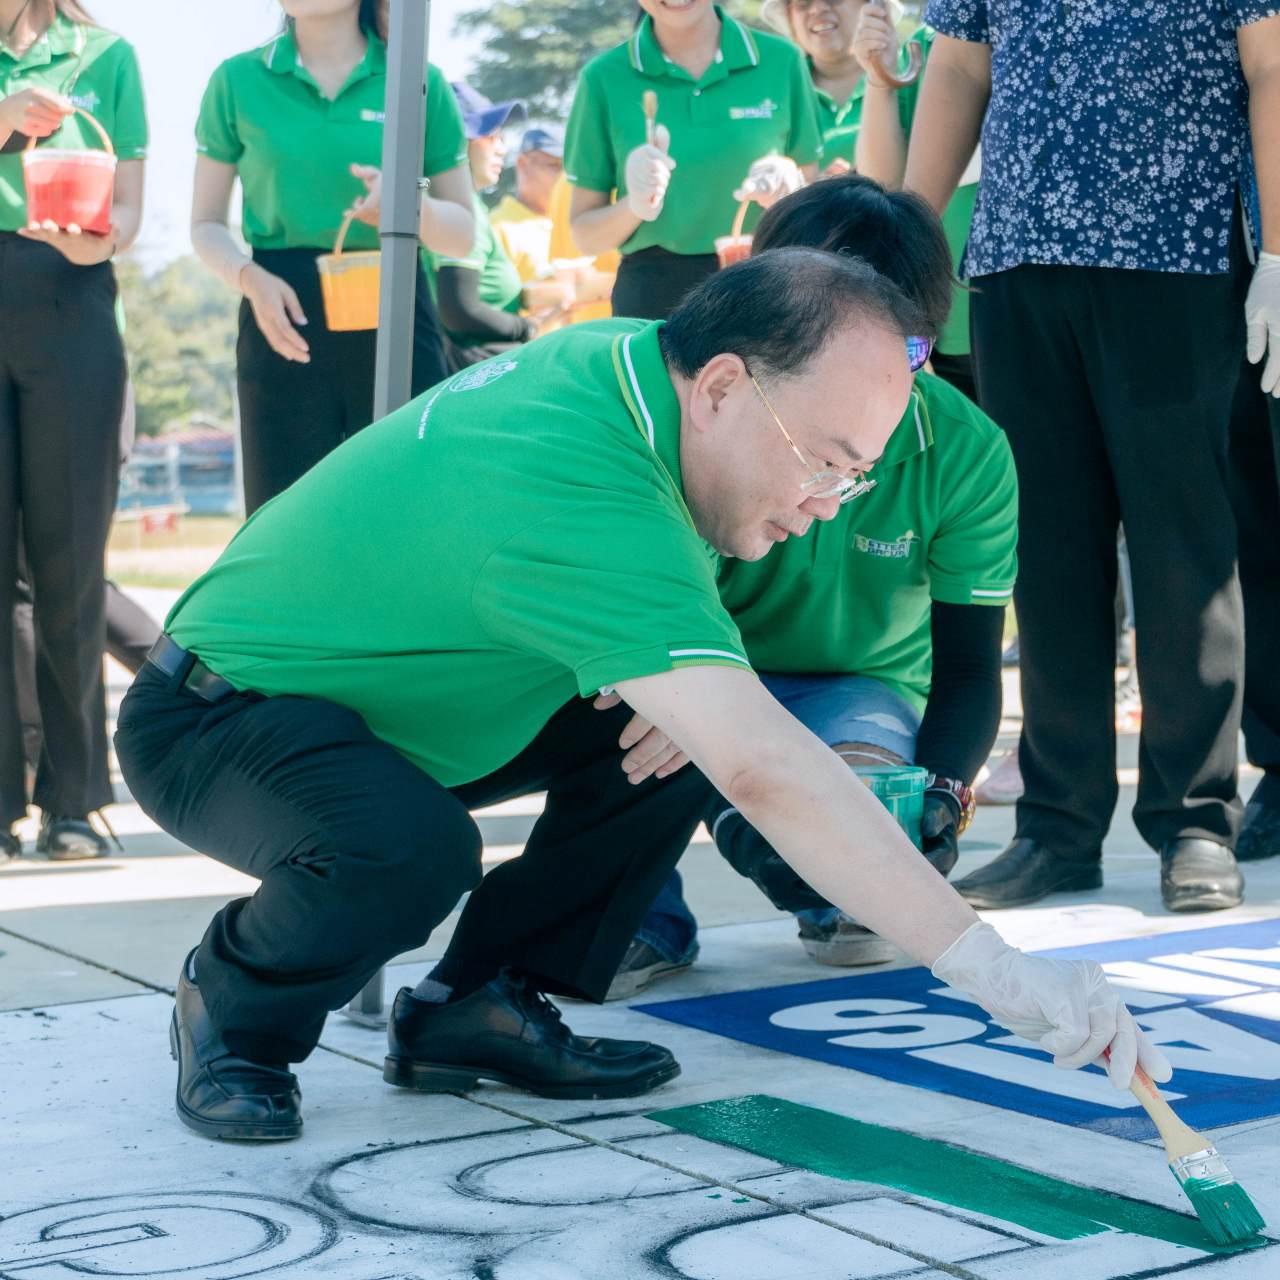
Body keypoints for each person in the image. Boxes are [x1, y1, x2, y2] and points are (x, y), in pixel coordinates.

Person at [114, 250, 1166, 1142]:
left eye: (855, 480)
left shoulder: (631, 370)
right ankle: (234, 1006)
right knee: (417, 848)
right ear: (721, 387)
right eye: (824, 462)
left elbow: (729, 733)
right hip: (222, 716)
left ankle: (474, 1002)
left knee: (680, 729)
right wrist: (993, 969)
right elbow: (766, 767)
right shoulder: (587, 481)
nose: (826, 504)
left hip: (415, 708)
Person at [904, 2, 1280, 913]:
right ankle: (1057, 828)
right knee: (1047, 551)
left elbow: (1271, 66)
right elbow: (958, 68)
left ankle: (1194, 821)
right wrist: (908, 244)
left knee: (1184, 549)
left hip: (1177, 255)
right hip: (1017, 259)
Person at [610, 175, 1015, 996]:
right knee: (625, 723)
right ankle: (636, 912)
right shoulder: (681, 414)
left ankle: (840, 892)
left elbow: (972, 664)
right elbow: (635, 630)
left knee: (865, 829)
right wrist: (741, 786)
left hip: (855, 688)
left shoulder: (966, 449)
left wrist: (940, 795)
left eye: (902, 352)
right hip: (689, 661)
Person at [190, 0, 474, 515]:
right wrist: (249, 279)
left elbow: (462, 235)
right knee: (285, 522)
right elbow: (205, 224)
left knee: (405, 512)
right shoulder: (236, 80)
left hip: (397, 308)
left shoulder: (419, 79)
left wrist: (406, 205)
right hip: (282, 314)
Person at [0, 0, 147, 862]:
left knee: (69, 566)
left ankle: (73, 800)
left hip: (71, 295)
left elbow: (128, 206)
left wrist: (104, 241)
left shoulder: (106, 55)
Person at [565, 0, 823, 320]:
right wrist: (635, 206)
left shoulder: (783, 60)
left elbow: (813, 201)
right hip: (653, 300)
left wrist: (790, 185)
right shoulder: (601, 78)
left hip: (769, 284)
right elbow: (585, 238)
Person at [425, 85, 563, 368]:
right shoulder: (462, 209)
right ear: (458, 139)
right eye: (491, 136)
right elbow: (459, 310)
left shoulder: (453, 203)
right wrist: (529, 329)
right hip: (471, 371)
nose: (502, 148)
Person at [490, 124, 617, 327]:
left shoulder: (578, 222)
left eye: (570, 167)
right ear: (523, 164)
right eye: (555, 166)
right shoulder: (499, 228)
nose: (566, 177)